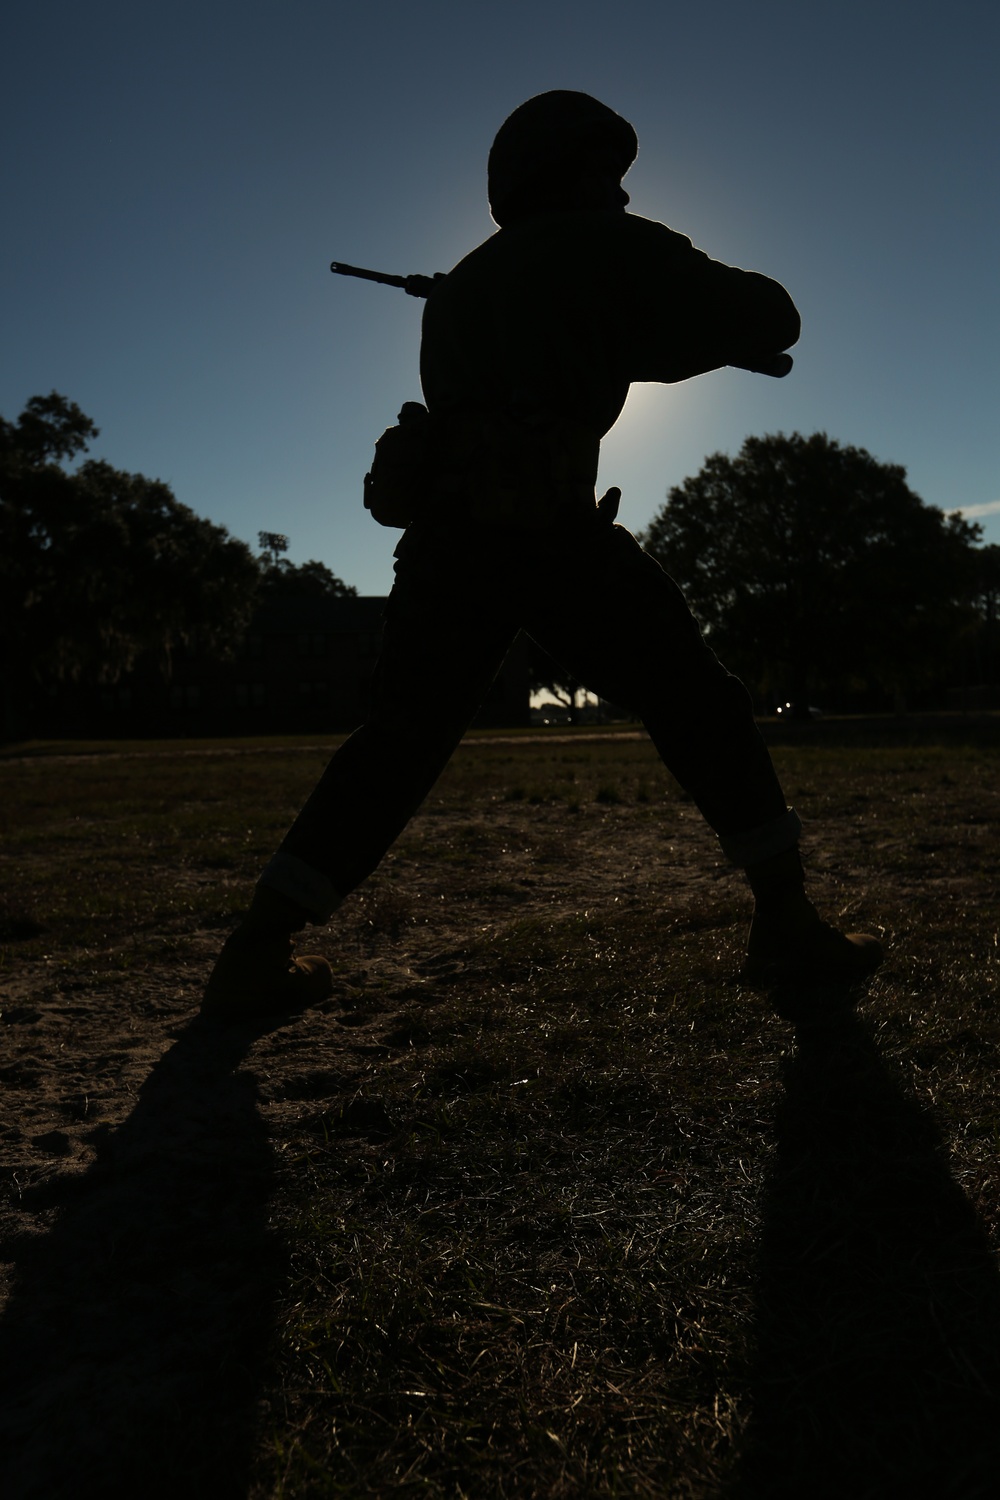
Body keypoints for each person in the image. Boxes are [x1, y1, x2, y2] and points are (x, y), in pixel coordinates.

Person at [203, 90, 881, 1019]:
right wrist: (644, 314)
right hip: (552, 536)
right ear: (572, 173)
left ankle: (257, 946)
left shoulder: (468, 287)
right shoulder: (610, 249)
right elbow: (773, 318)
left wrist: (608, 322)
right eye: (610, 173)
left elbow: (564, 349)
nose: (623, 193)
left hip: (447, 544)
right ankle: (787, 922)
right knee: (696, 701)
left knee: (399, 741)